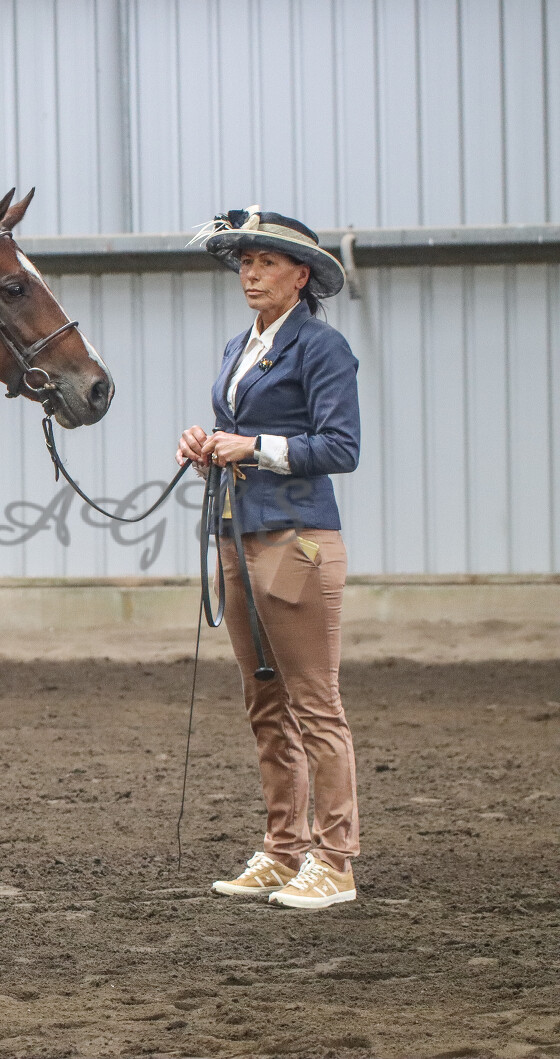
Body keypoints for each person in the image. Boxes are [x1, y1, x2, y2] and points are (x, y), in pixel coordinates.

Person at [177, 207, 362, 909]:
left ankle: (335, 860)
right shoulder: (239, 346)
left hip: (296, 541)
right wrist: (209, 449)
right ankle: (284, 848)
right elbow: (240, 434)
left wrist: (251, 446)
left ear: (300, 275)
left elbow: (341, 446)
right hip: (237, 533)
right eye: (245, 263)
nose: (250, 274)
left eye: (265, 263)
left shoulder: (323, 347)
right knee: (265, 702)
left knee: (314, 702)